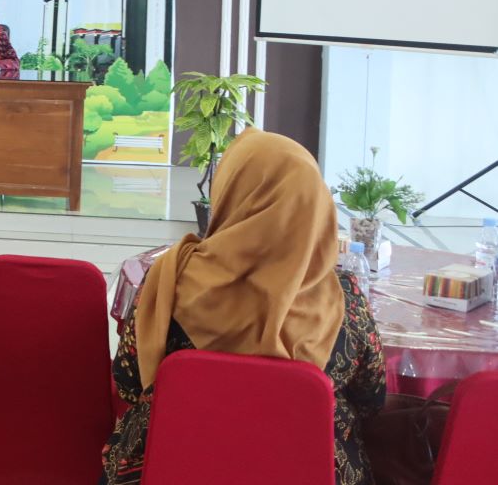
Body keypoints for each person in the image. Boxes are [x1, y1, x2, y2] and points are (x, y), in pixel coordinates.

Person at [102, 129, 385, 485]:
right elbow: (372, 400)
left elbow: (128, 383)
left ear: (231, 194)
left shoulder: (169, 279)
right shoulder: (344, 299)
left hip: (170, 466)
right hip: (305, 470)